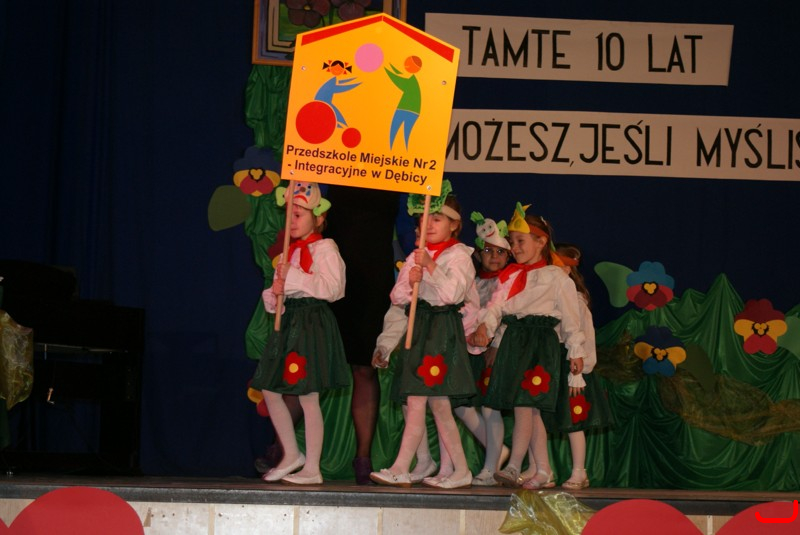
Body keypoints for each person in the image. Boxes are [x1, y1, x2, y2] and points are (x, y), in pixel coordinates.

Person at [370, 180, 477, 489]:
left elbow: (453, 294)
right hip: (420, 329)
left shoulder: (459, 256)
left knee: (417, 400)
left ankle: (400, 467)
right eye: (423, 219)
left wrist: (430, 267)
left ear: (454, 225)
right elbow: (398, 297)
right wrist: (411, 280)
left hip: (441, 331)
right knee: (439, 406)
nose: (428, 225)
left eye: (437, 219)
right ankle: (461, 470)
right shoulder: (418, 254)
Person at [471, 203, 587, 489]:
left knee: (525, 404)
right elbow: (496, 306)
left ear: (541, 242)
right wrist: (484, 327)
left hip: (540, 344)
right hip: (515, 343)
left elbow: (572, 319)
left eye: (520, 241)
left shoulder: (556, 277)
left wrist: (576, 352)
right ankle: (543, 469)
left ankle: (513, 465)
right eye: (512, 242)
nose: (514, 247)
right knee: (529, 411)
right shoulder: (511, 276)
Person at [251, 182, 351, 485]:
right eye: (288, 216)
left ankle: (313, 468)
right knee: (270, 389)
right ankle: (292, 454)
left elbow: (333, 289)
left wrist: (293, 277)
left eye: (298, 215)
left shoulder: (325, 248)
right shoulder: (289, 252)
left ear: (317, 218)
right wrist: (275, 295)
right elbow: (280, 294)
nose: (291, 221)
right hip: (290, 322)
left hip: (311, 322)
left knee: (308, 395)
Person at [325, 185, 403, 484]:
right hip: (331, 271)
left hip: (372, 278)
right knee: (310, 365)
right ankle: (282, 449)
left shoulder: (391, 169)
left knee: (364, 367)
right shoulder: (337, 164)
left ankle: (363, 457)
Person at [531, 242, 613, 490]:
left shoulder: (576, 300)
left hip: (570, 365)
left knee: (572, 418)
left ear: (568, 270)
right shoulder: (544, 299)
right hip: (548, 364)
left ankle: (579, 471)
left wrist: (580, 373)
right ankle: (539, 468)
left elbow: (585, 337)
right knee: (536, 416)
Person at [459, 212, 513, 486]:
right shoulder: (473, 281)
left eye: (501, 252)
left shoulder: (509, 281)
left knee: (491, 408)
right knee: (459, 403)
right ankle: (497, 449)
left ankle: (491, 467)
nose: (494, 256)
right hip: (470, 350)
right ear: (479, 254)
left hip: (496, 351)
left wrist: (496, 344)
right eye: (489, 251)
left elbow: (506, 316)